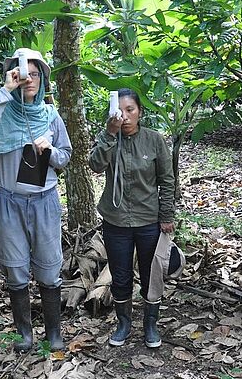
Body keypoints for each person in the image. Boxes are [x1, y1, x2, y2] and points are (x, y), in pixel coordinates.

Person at [0, 48, 72, 352]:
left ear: (42, 78)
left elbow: (65, 156)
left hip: (44, 201)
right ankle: (24, 334)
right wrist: (5, 91)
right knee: (15, 268)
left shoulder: (50, 115)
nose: (28, 79)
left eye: (34, 73)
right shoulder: (1, 112)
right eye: (22, 72)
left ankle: (53, 333)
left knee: (48, 267)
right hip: (9, 201)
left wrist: (49, 152)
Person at [89, 88, 175, 348]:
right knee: (121, 274)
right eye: (121, 111)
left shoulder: (154, 140)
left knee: (151, 275)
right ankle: (124, 323)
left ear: (140, 112)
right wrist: (109, 134)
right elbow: (95, 165)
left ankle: (150, 324)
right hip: (116, 221)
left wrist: (166, 215)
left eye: (131, 110)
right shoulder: (108, 137)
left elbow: (167, 180)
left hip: (148, 220)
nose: (125, 116)